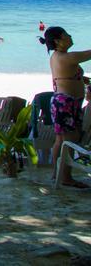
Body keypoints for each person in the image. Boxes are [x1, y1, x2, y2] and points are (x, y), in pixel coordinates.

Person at [40, 26, 91, 188]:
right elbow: (87, 54)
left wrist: (80, 79)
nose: (70, 37)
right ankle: (65, 177)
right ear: (58, 41)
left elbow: (64, 75)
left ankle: (58, 173)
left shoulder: (59, 57)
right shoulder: (65, 57)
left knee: (61, 140)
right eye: (66, 35)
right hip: (65, 103)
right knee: (69, 139)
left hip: (65, 101)